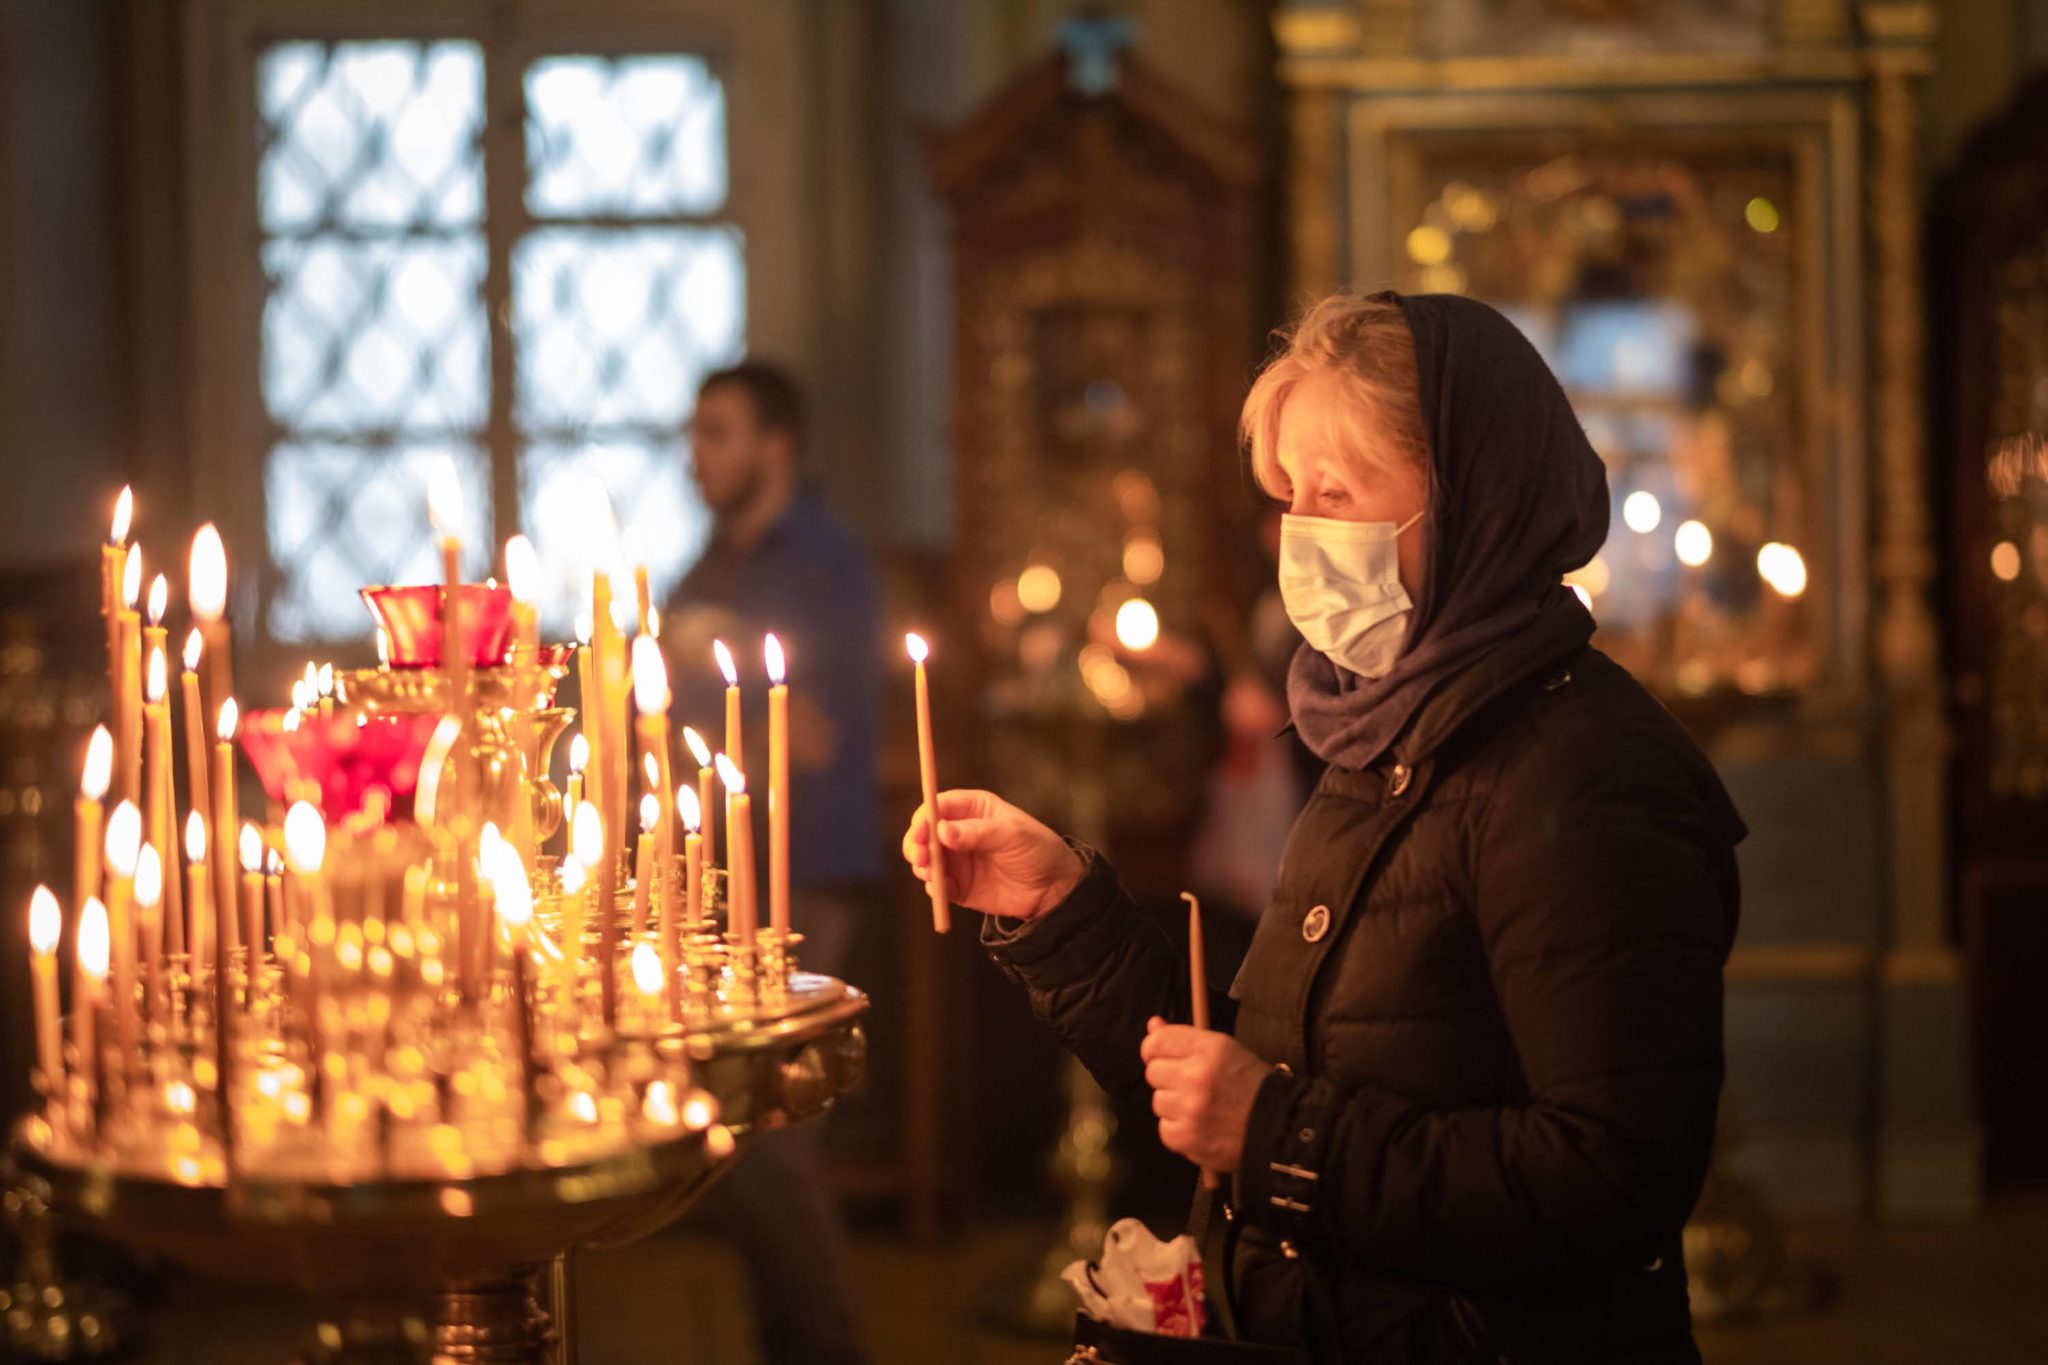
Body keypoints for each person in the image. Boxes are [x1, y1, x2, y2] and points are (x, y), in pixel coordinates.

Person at [904, 292, 1745, 1363]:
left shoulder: (1585, 775)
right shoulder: (1379, 730)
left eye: (1337, 492)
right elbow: (1274, 1060)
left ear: (1471, 497)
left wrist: (1274, 1138)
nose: (1303, 532)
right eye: (1290, 493)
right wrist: (1061, 907)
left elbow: (1611, 1176)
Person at [664, 359, 876, 1365]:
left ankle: (827, 1351)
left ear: (772, 446)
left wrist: (723, 650)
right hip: (718, 875)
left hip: (809, 870)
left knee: (770, 1138)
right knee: (742, 1141)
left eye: (716, 433)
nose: (696, 455)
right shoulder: (706, 567)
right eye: (695, 434)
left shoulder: (828, 563)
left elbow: (821, 736)